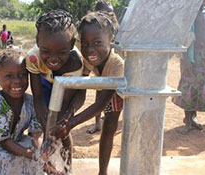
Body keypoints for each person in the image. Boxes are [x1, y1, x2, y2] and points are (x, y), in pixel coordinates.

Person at [53, 11, 123, 175]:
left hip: (120, 86)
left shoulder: (117, 64)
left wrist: (72, 123)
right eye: (85, 44)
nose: (90, 49)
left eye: (97, 42)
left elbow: (101, 104)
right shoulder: (90, 59)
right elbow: (81, 89)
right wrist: (70, 113)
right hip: (104, 82)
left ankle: (103, 172)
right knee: (105, 118)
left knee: (110, 124)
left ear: (111, 39)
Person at [0, 50, 51, 174]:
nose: (17, 81)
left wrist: (39, 154)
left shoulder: (31, 102)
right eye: (9, 76)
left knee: (44, 153)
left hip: (16, 142)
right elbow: (4, 141)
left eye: (22, 75)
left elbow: (36, 133)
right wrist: (34, 156)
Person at [25, 9, 86, 173]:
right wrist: (47, 132)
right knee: (45, 127)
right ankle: (46, 168)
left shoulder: (75, 62)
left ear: (72, 44)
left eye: (61, 52)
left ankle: (67, 169)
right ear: (38, 41)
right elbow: (38, 98)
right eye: (46, 51)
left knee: (62, 129)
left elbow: (67, 103)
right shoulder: (33, 58)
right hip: (45, 84)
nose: (53, 58)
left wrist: (60, 126)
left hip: (68, 89)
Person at [173, 0, 205, 134]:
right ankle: (188, 121)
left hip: (204, 56)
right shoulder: (187, 16)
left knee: (202, 87)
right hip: (191, 56)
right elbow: (183, 38)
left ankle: (193, 119)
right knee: (189, 87)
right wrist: (186, 58)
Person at [86, 0, 116, 134]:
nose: (108, 16)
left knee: (113, 98)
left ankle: (110, 122)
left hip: (113, 68)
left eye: (111, 13)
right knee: (99, 93)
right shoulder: (93, 28)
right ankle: (98, 123)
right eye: (104, 13)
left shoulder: (115, 29)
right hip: (99, 67)